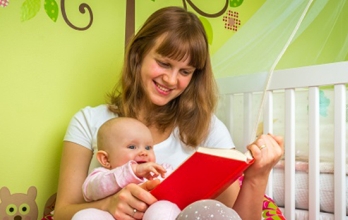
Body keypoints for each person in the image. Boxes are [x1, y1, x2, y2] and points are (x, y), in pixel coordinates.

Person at [55, 6, 284, 220]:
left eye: (185, 71)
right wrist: (108, 205)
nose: (171, 80)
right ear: (138, 55)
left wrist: (257, 176)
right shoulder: (88, 121)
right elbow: (63, 212)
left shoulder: (207, 128)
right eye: (164, 64)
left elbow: (232, 217)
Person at [81, 117, 180, 219]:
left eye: (148, 147)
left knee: (164, 208)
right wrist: (132, 171)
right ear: (105, 159)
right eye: (132, 147)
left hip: (150, 215)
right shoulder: (101, 175)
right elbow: (90, 191)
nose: (144, 152)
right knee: (85, 215)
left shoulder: (159, 171)